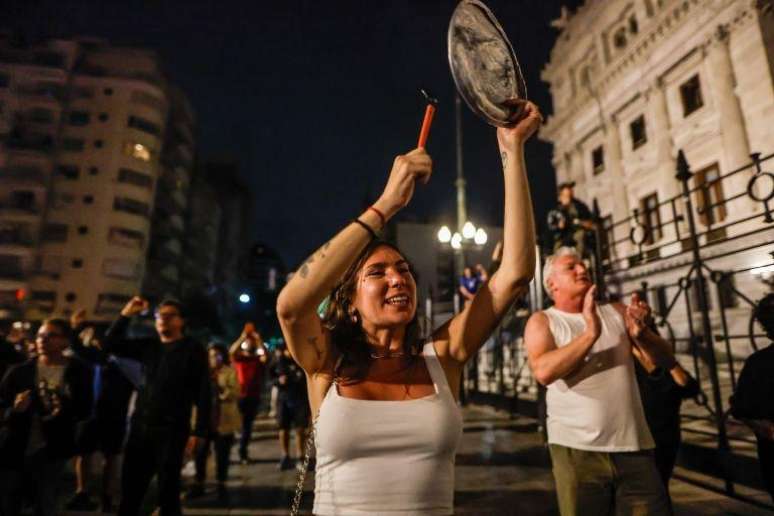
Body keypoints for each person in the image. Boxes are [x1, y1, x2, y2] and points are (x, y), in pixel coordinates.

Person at [276, 101, 541, 514]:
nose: (398, 278)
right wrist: (386, 207)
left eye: (403, 270)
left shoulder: (444, 354)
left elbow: (515, 274)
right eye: (377, 273)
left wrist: (512, 149)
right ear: (349, 301)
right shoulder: (326, 360)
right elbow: (291, 307)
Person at [524, 246, 674, 515]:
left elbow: (663, 360)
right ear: (551, 284)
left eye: (583, 265)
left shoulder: (617, 311)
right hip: (577, 450)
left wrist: (643, 335)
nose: (582, 269)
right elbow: (544, 371)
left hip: (634, 447)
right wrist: (590, 333)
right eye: (571, 267)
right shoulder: (543, 321)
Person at [103, 297, 211, 516]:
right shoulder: (149, 346)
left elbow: (203, 391)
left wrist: (199, 430)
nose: (164, 320)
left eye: (170, 316)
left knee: (168, 495)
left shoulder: (192, 349)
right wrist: (126, 314)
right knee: (130, 494)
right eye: (160, 316)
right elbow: (110, 344)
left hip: (172, 430)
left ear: (182, 321)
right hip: (140, 429)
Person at [0, 318, 93, 516]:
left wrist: (66, 406)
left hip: (53, 448)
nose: (43, 340)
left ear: (65, 342)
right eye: (41, 335)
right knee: (10, 501)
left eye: (52, 335)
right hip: (16, 447)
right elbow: (3, 409)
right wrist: (15, 410)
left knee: (45, 502)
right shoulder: (20, 371)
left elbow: (85, 410)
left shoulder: (78, 371)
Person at [65, 309, 136, 513]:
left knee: (111, 458)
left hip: (115, 416)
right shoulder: (96, 358)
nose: (97, 342)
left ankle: (107, 496)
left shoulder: (125, 363)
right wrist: (76, 328)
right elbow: (77, 347)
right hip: (91, 414)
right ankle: (82, 492)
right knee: (84, 454)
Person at [632, 338, 699, 492]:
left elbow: (690, 388)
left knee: (659, 489)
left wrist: (671, 364)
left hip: (664, 436)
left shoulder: (661, 359)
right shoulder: (623, 361)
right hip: (636, 439)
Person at [730, 292, 774, 501]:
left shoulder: (757, 363)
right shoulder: (758, 364)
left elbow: (739, 408)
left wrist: (760, 426)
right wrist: (762, 426)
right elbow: (740, 408)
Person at [190, 344, 240, 500]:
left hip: (223, 421)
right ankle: (199, 483)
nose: (214, 359)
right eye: (211, 355)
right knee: (200, 454)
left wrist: (220, 392)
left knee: (222, 455)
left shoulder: (229, 371)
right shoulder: (200, 373)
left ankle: (221, 485)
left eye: (217, 355)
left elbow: (235, 392)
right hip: (203, 421)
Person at [229, 323, 268, 464]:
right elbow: (232, 351)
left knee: (247, 427)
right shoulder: (239, 358)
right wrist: (242, 337)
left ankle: (242, 453)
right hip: (239, 396)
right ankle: (229, 452)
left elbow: (264, 355)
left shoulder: (256, 359)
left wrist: (258, 340)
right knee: (234, 427)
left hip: (252, 397)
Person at [269, 343, 309, 470]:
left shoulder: (302, 359)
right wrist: (278, 381)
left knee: (300, 429)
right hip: (283, 399)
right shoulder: (278, 362)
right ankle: (285, 456)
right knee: (283, 428)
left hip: (300, 398)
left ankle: (300, 457)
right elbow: (270, 378)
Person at [547, 181, 595, 257]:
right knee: (558, 250)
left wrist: (580, 222)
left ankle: (578, 260)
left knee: (581, 236)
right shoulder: (555, 211)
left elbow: (590, 222)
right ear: (560, 197)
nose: (569, 197)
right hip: (562, 238)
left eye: (570, 194)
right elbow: (550, 227)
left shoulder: (580, 207)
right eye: (566, 195)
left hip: (576, 234)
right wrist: (558, 226)